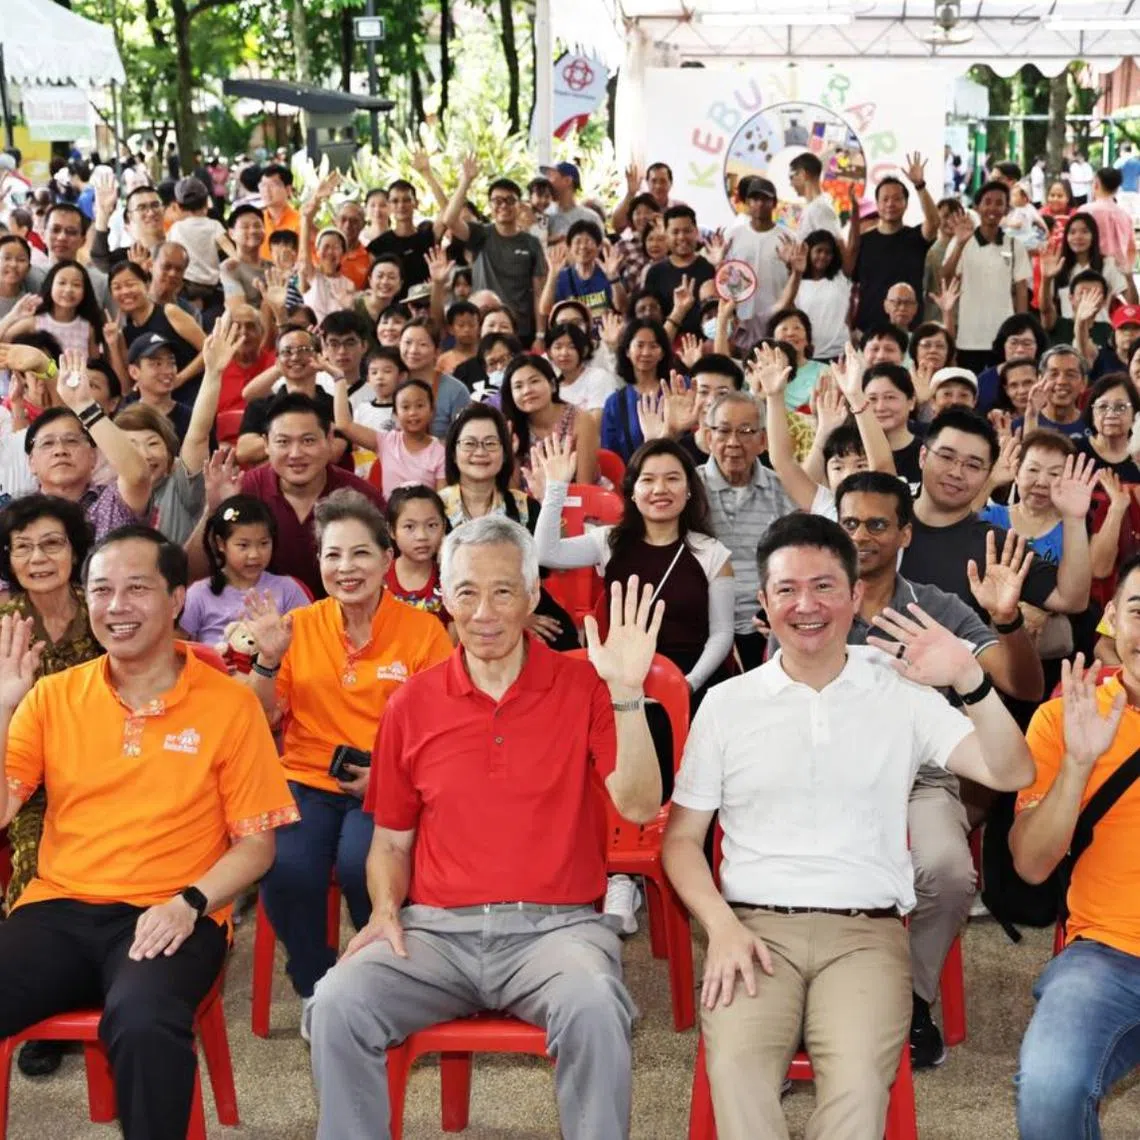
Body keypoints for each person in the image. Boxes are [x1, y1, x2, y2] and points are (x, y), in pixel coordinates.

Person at [661, 510, 1034, 1140]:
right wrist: (720, 927)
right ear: (766, 600)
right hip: (752, 928)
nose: (806, 605)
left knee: (860, 1089)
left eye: (824, 586)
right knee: (739, 1078)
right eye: (787, 589)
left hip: (865, 933)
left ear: (856, 594)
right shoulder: (727, 704)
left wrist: (969, 678)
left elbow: (1011, 771)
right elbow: (680, 842)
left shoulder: (899, 687)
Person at [306, 516, 664, 1140]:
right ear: (443, 598)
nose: (485, 611)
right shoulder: (411, 704)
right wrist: (386, 907)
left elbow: (637, 806)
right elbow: (391, 840)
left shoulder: (583, 687)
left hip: (557, 931)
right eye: (467, 591)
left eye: (504, 591)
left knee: (595, 1008)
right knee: (337, 1004)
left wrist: (627, 694)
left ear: (532, 595)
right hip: (437, 932)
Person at [0, 525, 298, 1139]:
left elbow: (257, 845)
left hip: (173, 910)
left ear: (177, 598)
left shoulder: (231, 705)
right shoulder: (52, 696)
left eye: (137, 588)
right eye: (101, 590)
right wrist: (4, 707)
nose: (116, 606)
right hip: (57, 906)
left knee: (141, 1020)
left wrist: (190, 903)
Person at [832, 472, 1043, 1066]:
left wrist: (1005, 621)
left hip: (922, 774)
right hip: (830, 774)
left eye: (877, 524)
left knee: (949, 873)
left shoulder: (938, 607)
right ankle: (824, 999)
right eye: (850, 523)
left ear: (904, 533)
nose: (862, 536)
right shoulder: (814, 603)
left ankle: (910, 998)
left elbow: (1024, 684)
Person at [244, 489, 452, 1030]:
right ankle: (319, 987)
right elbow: (259, 719)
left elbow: (443, 730)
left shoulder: (424, 633)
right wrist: (267, 661)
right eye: (333, 555)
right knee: (284, 866)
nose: (346, 568)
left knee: (368, 866)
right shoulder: (299, 627)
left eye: (360, 554)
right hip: (307, 780)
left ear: (387, 559)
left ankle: (378, 982)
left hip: (388, 786)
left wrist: (389, 778)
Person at [1011, 596, 1140, 1139]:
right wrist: (1077, 764)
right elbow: (1031, 865)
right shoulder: (1065, 717)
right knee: (1048, 1088)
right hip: (1106, 957)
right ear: (1114, 617)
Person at [0, 494, 101, 1078]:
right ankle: (45, 1005)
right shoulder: (4, 627)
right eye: (24, 547)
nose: (39, 557)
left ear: (74, 550)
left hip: (116, 768)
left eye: (52, 543)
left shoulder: (109, 611)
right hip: (28, 779)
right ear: (9, 559)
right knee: (36, 852)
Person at [900, 408, 1091, 626]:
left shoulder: (998, 545)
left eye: (973, 465)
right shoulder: (881, 520)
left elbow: (1071, 600)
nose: (956, 472)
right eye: (946, 456)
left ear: (988, 472)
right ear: (923, 456)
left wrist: (1074, 519)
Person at [438, 403, 578, 651]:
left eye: (491, 443)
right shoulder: (434, 508)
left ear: (505, 452)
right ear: (453, 452)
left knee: (560, 636)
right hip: (452, 610)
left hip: (520, 605)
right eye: (470, 444)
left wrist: (550, 502)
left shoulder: (524, 505)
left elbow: (560, 565)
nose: (480, 452)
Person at [240, 393, 385, 598]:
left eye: (308, 441)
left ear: (329, 439)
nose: (296, 453)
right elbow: (203, 572)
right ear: (266, 444)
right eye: (283, 442)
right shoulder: (247, 489)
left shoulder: (361, 497)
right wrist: (213, 507)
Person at [697, 390, 795, 670]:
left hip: (765, 623)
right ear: (708, 438)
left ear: (763, 440)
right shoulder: (689, 488)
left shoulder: (782, 489)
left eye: (746, 431)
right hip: (702, 622)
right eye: (724, 431)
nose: (733, 442)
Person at [180, 494, 309, 649]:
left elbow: (308, 641)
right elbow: (177, 646)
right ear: (221, 543)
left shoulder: (288, 589)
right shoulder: (198, 594)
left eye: (263, 543)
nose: (254, 554)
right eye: (243, 545)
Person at [442, 158, 547, 347]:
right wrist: (466, 180)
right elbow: (449, 219)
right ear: (490, 206)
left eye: (510, 201)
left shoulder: (531, 243)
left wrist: (540, 335)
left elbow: (539, 291)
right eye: (497, 201)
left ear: (520, 205)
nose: (504, 206)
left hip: (520, 329)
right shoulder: (480, 233)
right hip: (482, 327)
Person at [941, 180, 1031, 375]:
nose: (993, 208)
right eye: (987, 202)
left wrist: (1019, 332)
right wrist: (960, 244)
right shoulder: (962, 241)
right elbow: (946, 278)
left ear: (1006, 209)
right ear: (977, 207)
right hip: (968, 338)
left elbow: (1021, 291)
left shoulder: (1015, 246)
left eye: (999, 203)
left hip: (1003, 339)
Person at [849, 155, 940, 333]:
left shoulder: (916, 237)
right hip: (868, 330)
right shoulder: (864, 242)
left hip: (907, 329)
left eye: (897, 199)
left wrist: (920, 186)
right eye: (885, 199)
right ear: (877, 204)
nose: (891, 204)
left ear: (906, 204)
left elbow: (934, 222)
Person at [108, 260, 205, 403]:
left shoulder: (170, 312)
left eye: (130, 284)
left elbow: (209, 350)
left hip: (192, 396)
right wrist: (112, 344)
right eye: (117, 287)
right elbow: (126, 388)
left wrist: (179, 378)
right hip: (155, 407)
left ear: (146, 285)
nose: (125, 291)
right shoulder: (124, 333)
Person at [333, 376, 445, 499]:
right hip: (389, 516)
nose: (413, 412)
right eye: (405, 407)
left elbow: (443, 500)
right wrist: (339, 379)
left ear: (432, 411)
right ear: (395, 414)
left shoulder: (440, 453)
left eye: (419, 405)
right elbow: (344, 425)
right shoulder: (386, 442)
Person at [502, 354, 598, 486]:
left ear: (552, 385)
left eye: (534, 381)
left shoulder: (582, 420)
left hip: (577, 501)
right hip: (530, 504)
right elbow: (513, 491)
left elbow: (585, 486)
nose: (527, 391)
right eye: (518, 386)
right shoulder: (511, 427)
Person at [723, 177, 789, 345]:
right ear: (747, 202)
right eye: (755, 199)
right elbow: (724, 277)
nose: (759, 204)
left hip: (777, 321)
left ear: (774, 204)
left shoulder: (788, 238)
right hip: (742, 319)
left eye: (765, 199)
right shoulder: (733, 235)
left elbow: (796, 278)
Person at [600, 319, 675, 462]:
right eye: (639, 345)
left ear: (662, 353)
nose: (646, 353)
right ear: (627, 351)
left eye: (653, 346)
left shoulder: (677, 390)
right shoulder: (615, 403)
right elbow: (610, 456)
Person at [0, 259, 103, 359]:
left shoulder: (88, 328)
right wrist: (13, 315)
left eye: (76, 285)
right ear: (50, 286)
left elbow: (96, 367)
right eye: (62, 283)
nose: (68, 290)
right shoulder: (34, 323)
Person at [775, 230, 852, 361]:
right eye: (819, 251)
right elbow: (786, 307)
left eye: (828, 252)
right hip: (808, 353)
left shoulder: (840, 278)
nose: (823, 256)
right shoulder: (797, 282)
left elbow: (853, 247)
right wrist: (791, 267)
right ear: (808, 252)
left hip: (839, 352)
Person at [384, 484, 451, 629]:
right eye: (409, 527)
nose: (422, 536)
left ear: (444, 526)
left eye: (432, 525)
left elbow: (451, 642)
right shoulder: (377, 579)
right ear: (391, 530)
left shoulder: (450, 580)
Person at [644, 206, 714, 339]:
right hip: (666, 347)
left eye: (687, 231)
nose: (681, 237)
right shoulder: (655, 273)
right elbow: (650, 321)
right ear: (666, 234)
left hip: (705, 348)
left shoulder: (710, 268)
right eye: (675, 232)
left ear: (696, 232)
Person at [365, 179, 445, 295]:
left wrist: (427, 174)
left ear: (416, 203)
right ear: (389, 206)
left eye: (407, 200)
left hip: (428, 306)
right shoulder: (377, 246)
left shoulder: (427, 236)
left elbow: (448, 212)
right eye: (395, 201)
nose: (401, 205)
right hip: (393, 310)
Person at [397, 317, 471, 438]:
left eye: (422, 344)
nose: (413, 350)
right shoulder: (392, 383)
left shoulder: (456, 390)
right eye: (408, 342)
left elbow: (464, 438)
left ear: (437, 352)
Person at [863, 363, 923, 489]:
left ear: (911, 402)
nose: (880, 407)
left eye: (890, 397)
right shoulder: (850, 452)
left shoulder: (927, 454)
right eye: (872, 399)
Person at [1075, 372, 1140, 481]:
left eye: (1121, 407)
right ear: (1092, 414)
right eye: (1103, 406)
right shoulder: (1073, 450)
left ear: (1135, 415)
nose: (1111, 414)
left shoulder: (1138, 456)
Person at [546, 320, 618, 417]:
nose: (564, 353)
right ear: (549, 353)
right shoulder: (551, 388)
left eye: (572, 347)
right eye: (558, 347)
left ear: (584, 350)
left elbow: (596, 424)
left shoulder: (598, 377)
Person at [1022, 344, 1090, 439]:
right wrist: (1031, 417)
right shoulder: (1021, 426)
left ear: (1084, 383)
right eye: (1053, 374)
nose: (1061, 381)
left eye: (1070, 375)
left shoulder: (1094, 426)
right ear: (1040, 380)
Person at [220, 204, 270, 310]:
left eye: (257, 226)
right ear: (231, 233)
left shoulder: (272, 267)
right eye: (245, 227)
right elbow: (239, 310)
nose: (252, 231)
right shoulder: (229, 268)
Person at [539, 161, 598, 242]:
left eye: (551, 177)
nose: (547, 183)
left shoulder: (590, 218)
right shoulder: (544, 216)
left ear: (567, 180)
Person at [258, 163, 301, 260]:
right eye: (263, 185)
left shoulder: (300, 222)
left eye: (272, 185)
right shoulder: (257, 222)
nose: (266, 190)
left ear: (288, 189)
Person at [0, 233, 33, 319]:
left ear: (29, 268)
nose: (13, 264)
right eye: (7, 258)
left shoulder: (30, 304)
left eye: (21, 260)